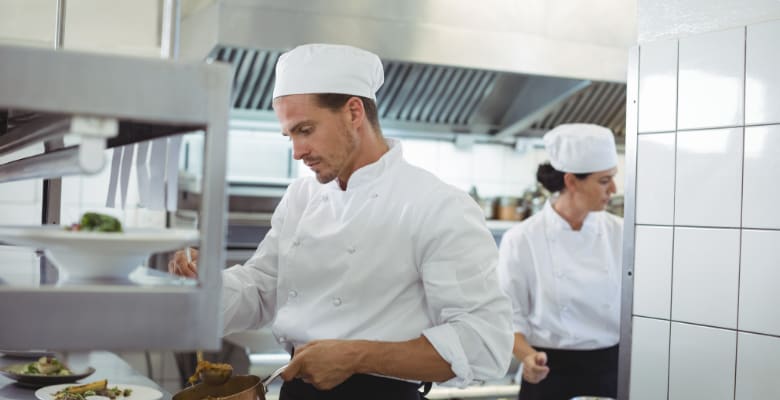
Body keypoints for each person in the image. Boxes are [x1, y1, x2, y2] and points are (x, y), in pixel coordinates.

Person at [169, 43, 513, 400]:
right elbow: (261, 289)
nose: (297, 152)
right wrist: (207, 285)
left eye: (305, 130)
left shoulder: (437, 205)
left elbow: (486, 341)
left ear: (353, 112)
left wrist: (356, 357)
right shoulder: (300, 198)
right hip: (296, 391)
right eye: (290, 135)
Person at [496, 123, 622, 400]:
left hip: (610, 372)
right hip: (548, 372)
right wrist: (528, 358)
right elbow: (509, 317)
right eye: (604, 180)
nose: (613, 188)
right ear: (571, 181)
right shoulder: (522, 239)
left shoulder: (622, 234)